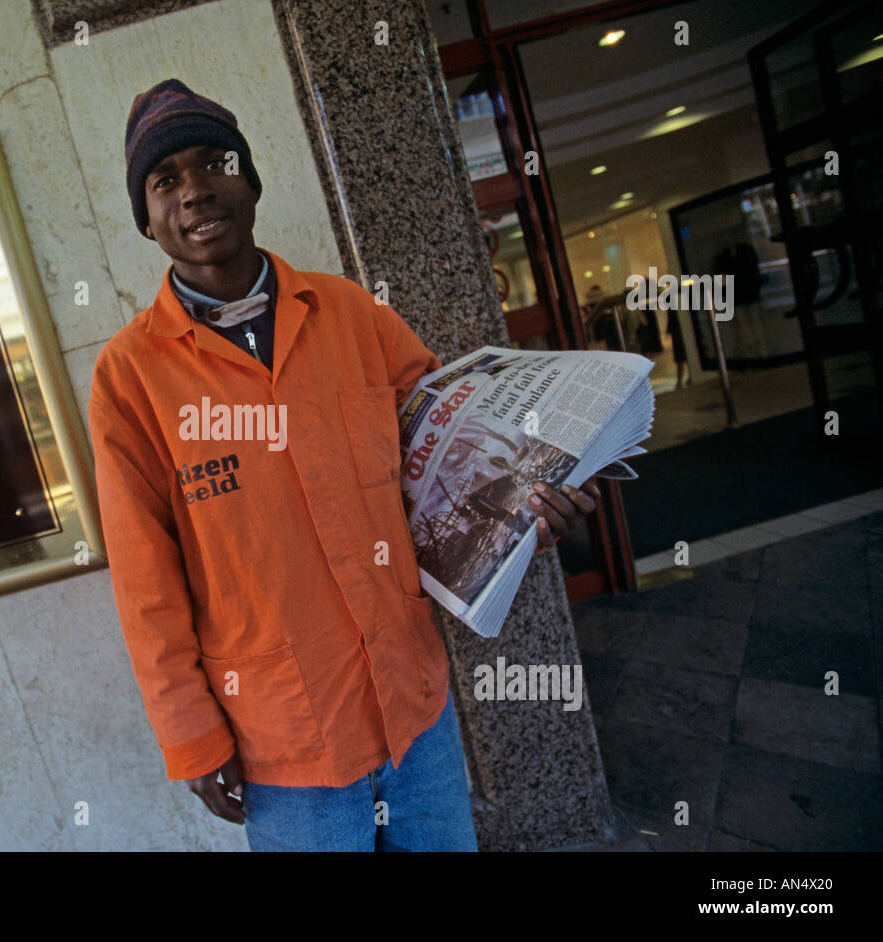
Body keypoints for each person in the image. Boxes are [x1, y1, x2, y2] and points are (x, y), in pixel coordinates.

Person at [87, 79, 600, 852]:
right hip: (285, 743)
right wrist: (191, 736)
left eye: (214, 164)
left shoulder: (350, 313)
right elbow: (143, 578)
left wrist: (524, 504)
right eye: (166, 181)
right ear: (148, 219)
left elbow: (455, 450)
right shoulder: (129, 378)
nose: (194, 191)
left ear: (250, 182)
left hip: (414, 712)